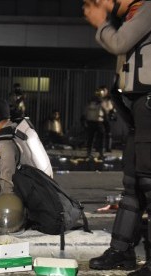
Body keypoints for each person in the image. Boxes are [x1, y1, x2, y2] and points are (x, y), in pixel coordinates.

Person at [84, 0, 151, 275]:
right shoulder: (134, 14)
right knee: (133, 184)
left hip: (149, 103)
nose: (106, 2)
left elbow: (120, 43)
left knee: (148, 181)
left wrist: (101, 22)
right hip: (139, 106)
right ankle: (122, 251)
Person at [83, 89, 107, 160]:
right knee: (100, 138)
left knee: (91, 138)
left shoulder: (90, 103)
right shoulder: (101, 103)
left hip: (91, 122)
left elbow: (85, 112)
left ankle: (89, 153)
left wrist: (85, 120)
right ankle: (100, 153)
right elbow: (106, 112)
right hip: (98, 122)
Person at [99, 85, 117, 152]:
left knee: (108, 133)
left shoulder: (108, 99)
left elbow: (112, 107)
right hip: (99, 117)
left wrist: (112, 113)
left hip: (106, 117)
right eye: (102, 90)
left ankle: (108, 147)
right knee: (100, 133)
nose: (103, 92)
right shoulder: (98, 98)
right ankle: (99, 147)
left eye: (104, 90)